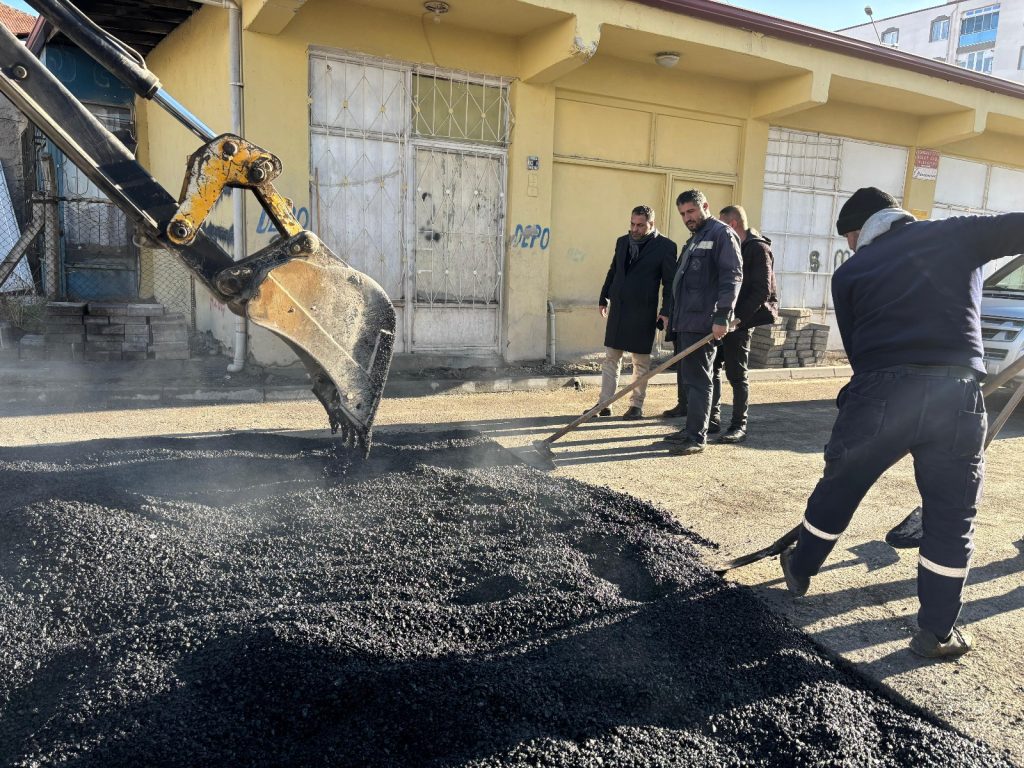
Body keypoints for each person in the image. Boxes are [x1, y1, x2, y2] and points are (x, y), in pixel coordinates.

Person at [779, 186, 1024, 659]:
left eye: (849, 239)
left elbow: (858, 352)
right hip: (956, 396)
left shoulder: (851, 271)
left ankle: (800, 566)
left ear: (859, 230)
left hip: (878, 393)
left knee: (841, 484)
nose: (850, 249)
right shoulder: (960, 233)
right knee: (951, 518)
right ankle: (936, 633)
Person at [662, 190, 742, 454]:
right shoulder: (696, 238)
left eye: (691, 211)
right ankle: (690, 428)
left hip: (704, 323)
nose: (687, 218)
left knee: (699, 381)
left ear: (704, 206)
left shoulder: (721, 235)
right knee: (689, 380)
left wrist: (722, 317)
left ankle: (696, 437)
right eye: (683, 214)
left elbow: (731, 277)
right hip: (686, 321)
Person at [590, 205, 677, 420]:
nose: (635, 229)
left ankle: (636, 406)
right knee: (611, 357)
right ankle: (605, 403)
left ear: (651, 224)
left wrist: (665, 311)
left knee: (640, 361)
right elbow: (614, 271)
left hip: (643, 312)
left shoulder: (665, 247)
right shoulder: (622, 242)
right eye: (632, 224)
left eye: (640, 225)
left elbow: (670, 283)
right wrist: (604, 297)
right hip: (619, 308)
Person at [708, 205, 779, 442]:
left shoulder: (758, 249)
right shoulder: (731, 247)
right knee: (713, 369)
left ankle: (739, 425)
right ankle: (712, 421)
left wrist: (739, 319)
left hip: (740, 321)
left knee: (737, 374)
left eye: (723, 224)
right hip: (722, 319)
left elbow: (762, 290)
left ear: (733, 224)